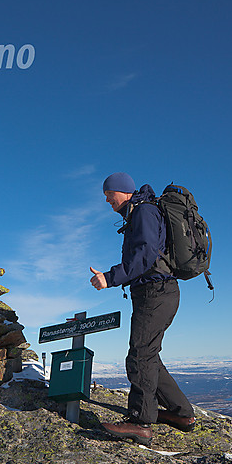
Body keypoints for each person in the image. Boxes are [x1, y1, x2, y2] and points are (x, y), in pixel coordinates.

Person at [89, 172, 196, 445]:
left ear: (123, 191)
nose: (107, 200)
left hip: (155, 293)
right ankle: (181, 414)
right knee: (148, 355)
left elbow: (146, 254)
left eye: (108, 194)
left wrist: (109, 278)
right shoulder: (139, 212)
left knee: (139, 356)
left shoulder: (144, 212)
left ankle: (140, 422)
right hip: (157, 293)